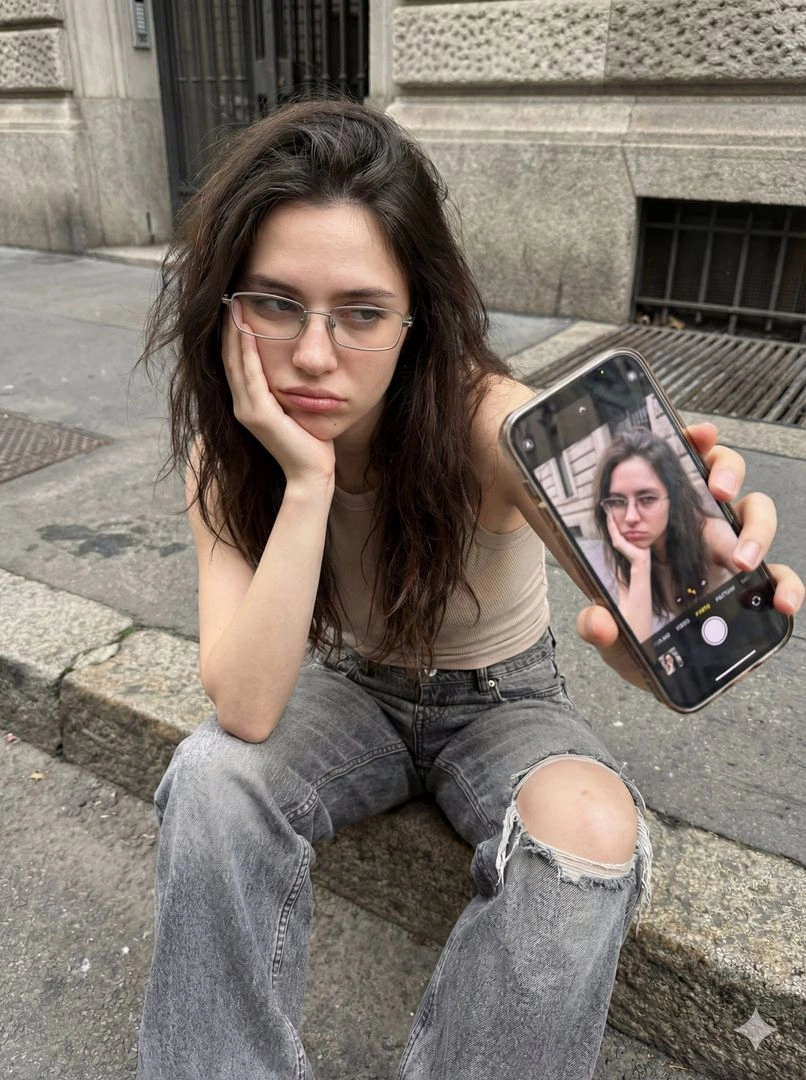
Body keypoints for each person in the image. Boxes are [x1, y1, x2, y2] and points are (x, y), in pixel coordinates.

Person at [136, 98, 803, 1080]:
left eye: (362, 313)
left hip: (502, 701)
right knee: (210, 779)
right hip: (350, 692)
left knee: (590, 834)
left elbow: (633, 589)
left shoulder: (491, 425)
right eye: (275, 303)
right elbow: (245, 706)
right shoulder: (227, 459)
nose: (314, 354)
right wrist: (307, 481)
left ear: (415, 319)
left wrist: (656, 633)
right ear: (226, 309)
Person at [591, 428, 740, 640]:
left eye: (647, 499)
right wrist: (640, 565)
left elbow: (766, 593)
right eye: (617, 501)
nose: (631, 517)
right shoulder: (629, 558)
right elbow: (638, 645)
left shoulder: (712, 535)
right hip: (695, 648)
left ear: (674, 497)